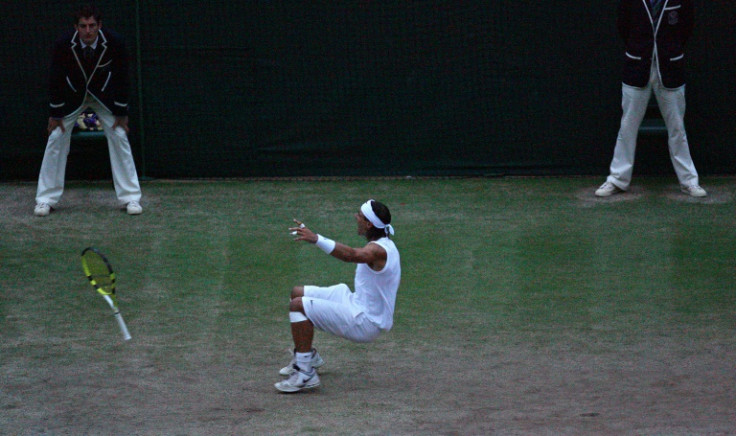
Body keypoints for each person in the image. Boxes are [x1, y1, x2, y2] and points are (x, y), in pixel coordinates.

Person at [275, 200, 401, 393]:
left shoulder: (377, 251)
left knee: (298, 305)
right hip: (355, 302)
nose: (355, 217)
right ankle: (307, 355)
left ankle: (305, 373)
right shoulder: (382, 245)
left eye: (359, 215)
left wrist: (316, 238)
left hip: (365, 322)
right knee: (297, 293)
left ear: (368, 224)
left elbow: (349, 255)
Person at [34, 4, 143, 216]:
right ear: (76, 27)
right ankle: (45, 199)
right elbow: (55, 78)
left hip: (105, 98)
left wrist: (121, 112)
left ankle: (130, 198)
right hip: (73, 97)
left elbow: (122, 77)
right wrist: (55, 114)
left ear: (99, 26)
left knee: (119, 135)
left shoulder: (115, 42)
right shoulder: (63, 44)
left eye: (92, 25)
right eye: (83, 26)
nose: (88, 31)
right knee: (56, 136)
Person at [595, 0, 706, 198]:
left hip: (670, 68)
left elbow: (687, 26)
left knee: (677, 128)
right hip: (637, 67)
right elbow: (623, 26)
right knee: (627, 126)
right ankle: (617, 179)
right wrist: (640, 49)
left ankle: (689, 181)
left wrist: (670, 50)